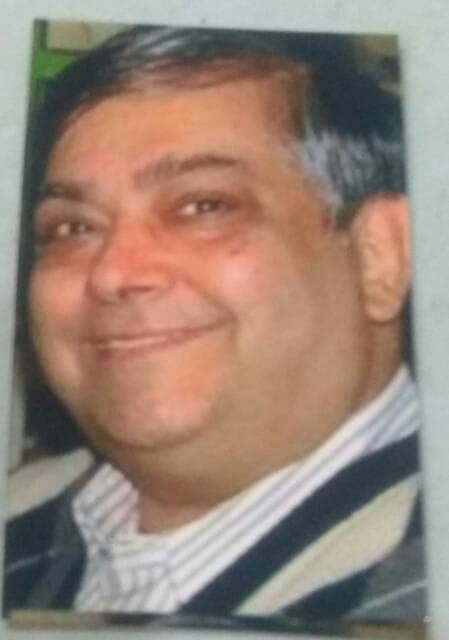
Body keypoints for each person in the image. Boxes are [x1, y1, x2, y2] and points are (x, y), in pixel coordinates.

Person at [3, 25, 425, 623]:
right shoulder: (21, 516)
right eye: (72, 227)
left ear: (381, 254)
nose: (113, 273)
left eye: (203, 206)